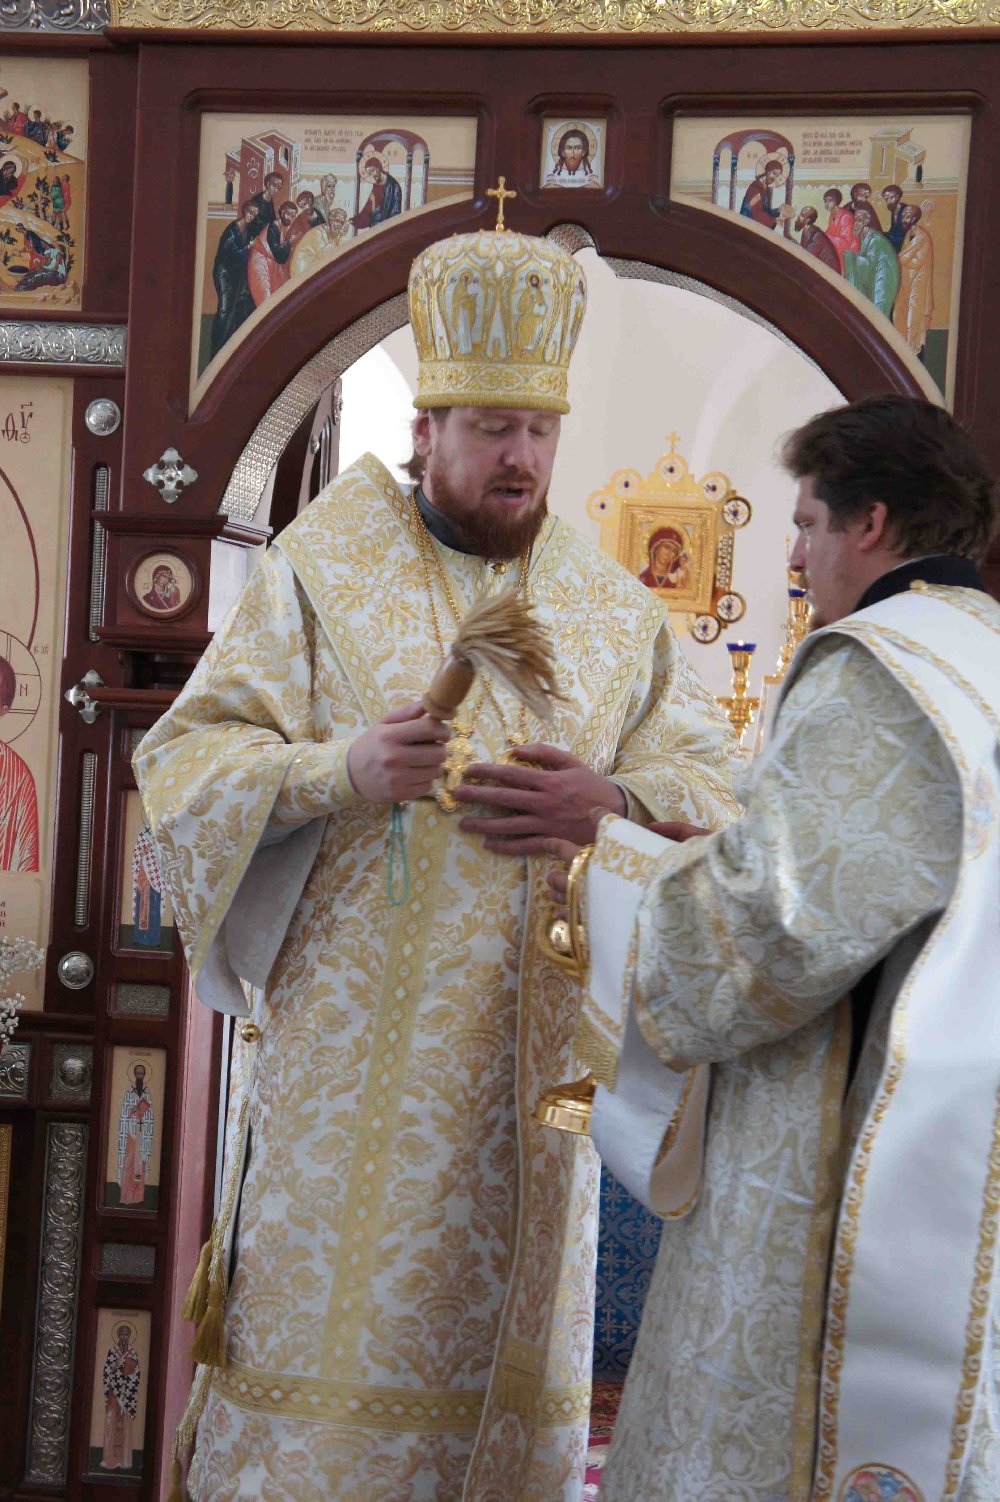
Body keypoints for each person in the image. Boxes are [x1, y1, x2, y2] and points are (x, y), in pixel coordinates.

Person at [136, 217, 739, 1501]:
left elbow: (715, 791)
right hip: (344, 1076)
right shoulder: (320, 570)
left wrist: (608, 800)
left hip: (528, 1074)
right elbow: (183, 760)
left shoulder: (608, 608)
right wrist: (338, 770)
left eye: (540, 432)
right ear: (427, 430)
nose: (521, 457)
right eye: (491, 428)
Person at [543, 395, 1000, 1500]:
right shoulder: (982, 657)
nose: (794, 558)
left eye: (804, 524)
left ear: (870, 522)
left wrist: (604, 861)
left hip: (841, 1143)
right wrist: (710, 850)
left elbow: (772, 932)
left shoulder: (878, 668)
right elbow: (876, 878)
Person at [209, 199, 259, 357]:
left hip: (237, 273)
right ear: (244, 211)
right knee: (225, 309)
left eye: (255, 214)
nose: (252, 216)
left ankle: (231, 348)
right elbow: (230, 255)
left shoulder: (249, 230)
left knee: (239, 305)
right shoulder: (232, 230)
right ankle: (217, 351)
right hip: (224, 273)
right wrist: (248, 247)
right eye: (250, 212)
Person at [892, 203, 935, 356]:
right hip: (906, 281)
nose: (903, 219)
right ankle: (901, 347)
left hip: (918, 283)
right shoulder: (908, 235)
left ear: (914, 218)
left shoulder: (922, 236)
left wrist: (894, 260)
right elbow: (905, 258)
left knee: (913, 315)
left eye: (907, 216)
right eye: (903, 215)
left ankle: (911, 350)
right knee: (898, 313)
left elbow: (911, 259)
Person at [843, 203, 900, 318]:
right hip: (875, 275)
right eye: (855, 220)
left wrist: (852, 257)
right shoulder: (864, 237)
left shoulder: (874, 240)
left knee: (879, 310)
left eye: (859, 220)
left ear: (866, 222)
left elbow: (869, 264)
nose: (855, 224)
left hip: (884, 278)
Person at [100, 1323, 141, 1469]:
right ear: (118, 1336)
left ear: (129, 1336)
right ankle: (108, 1459)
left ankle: (125, 1461)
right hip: (114, 1394)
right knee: (111, 1422)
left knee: (127, 1425)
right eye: (121, 1334)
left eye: (126, 1334)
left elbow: (137, 1374)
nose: (124, 1337)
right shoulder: (112, 1351)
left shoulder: (133, 1353)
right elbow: (107, 1371)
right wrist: (116, 1365)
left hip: (128, 1395)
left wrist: (128, 1373)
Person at [117, 1062, 154, 1205]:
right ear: (134, 1074)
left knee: (140, 1163)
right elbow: (124, 1111)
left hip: (142, 1133)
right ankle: (127, 1196)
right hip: (131, 1132)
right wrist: (133, 1110)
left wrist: (142, 1111)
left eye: (142, 1073)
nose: (140, 1076)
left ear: (144, 1075)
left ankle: (138, 1196)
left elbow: (150, 1112)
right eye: (137, 1073)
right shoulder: (129, 1091)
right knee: (130, 1162)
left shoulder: (147, 1092)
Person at [247, 198, 296, 306]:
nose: (291, 218)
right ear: (282, 212)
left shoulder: (283, 227)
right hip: (260, 262)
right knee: (264, 297)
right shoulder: (273, 228)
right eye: (289, 214)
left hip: (269, 262)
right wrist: (289, 243)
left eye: (293, 215)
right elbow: (279, 256)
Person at [351, 148, 402, 230]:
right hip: (374, 228)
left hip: (386, 229)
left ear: (378, 167)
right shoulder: (375, 187)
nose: (372, 175)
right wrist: (352, 221)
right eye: (369, 173)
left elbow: (395, 213)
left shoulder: (393, 186)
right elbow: (367, 212)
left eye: (373, 170)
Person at [739, 156, 793, 229]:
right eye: (774, 174)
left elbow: (766, 210)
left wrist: (779, 210)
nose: (775, 178)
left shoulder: (764, 187)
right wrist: (774, 220)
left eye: (777, 175)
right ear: (768, 172)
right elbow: (756, 212)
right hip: (747, 224)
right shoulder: (755, 187)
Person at [638, 526, 690, 590]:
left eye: (674, 551)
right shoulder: (642, 579)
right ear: (655, 547)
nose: (669, 553)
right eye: (667, 547)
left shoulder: (676, 579)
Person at [794, 204, 840, 272]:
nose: (798, 217)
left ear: (807, 220)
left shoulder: (816, 236)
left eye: (802, 215)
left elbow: (808, 257)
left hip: (829, 273)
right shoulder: (807, 232)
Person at [823, 186, 859, 272]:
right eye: (825, 201)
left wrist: (827, 237)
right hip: (838, 248)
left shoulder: (845, 216)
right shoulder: (833, 214)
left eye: (830, 201)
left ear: (837, 201)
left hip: (849, 252)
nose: (827, 204)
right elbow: (830, 231)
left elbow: (846, 242)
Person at [881, 182, 909, 253]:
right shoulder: (894, 209)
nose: (888, 201)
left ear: (897, 196)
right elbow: (893, 229)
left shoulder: (905, 210)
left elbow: (905, 232)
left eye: (890, 198)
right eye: (886, 199)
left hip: (902, 241)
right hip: (894, 238)